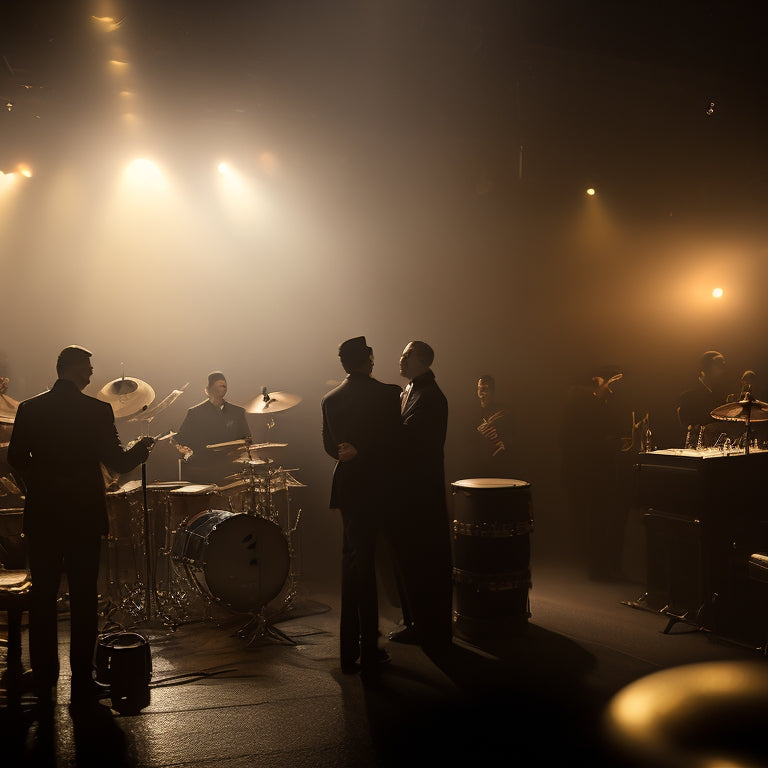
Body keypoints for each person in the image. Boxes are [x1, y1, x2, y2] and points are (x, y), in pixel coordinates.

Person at [7, 345, 154, 707]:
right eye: (88, 368)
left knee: (42, 598)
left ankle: (43, 676)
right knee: (84, 599)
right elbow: (118, 461)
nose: (91, 375)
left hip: (43, 516)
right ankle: (82, 679)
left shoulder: (29, 408)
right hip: (84, 517)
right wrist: (144, 448)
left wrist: (35, 487)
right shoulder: (97, 411)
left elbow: (14, 459)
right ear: (74, 370)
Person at [321, 336, 402, 684]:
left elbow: (330, 446)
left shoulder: (330, 399)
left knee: (351, 566)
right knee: (369, 567)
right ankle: (370, 650)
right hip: (378, 488)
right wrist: (365, 452)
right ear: (368, 359)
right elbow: (395, 442)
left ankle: (348, 652)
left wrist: (350, 452)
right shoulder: (388, 394)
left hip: (348, 488)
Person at [388, 340, 452, 656]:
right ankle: (416, 621)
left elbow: (413, 444)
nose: (400, 359)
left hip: (419, 494)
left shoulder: (430, 397)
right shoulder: (411, 390)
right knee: (410, 559)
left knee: (421, 559)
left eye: (406, 355)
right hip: (409, 491)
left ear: (421, 360)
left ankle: (426, 626)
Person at [560, 364, 628, 581]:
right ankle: (598, 568)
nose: (613, 388)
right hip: (589, 471)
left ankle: (604, 566)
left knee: (602, 518)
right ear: (598, 380)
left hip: (599, 469)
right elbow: (571, 438)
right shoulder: (582, 405)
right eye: (611, 382)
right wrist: (606, 443)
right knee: (597, 519)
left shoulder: (599, 404)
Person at [174, 371, 251, 484]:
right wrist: (184, 449)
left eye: (225, 386)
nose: (224, 388)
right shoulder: (195, 412)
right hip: (203, 467)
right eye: (220, 385)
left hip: (231, 466)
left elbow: (247, 438)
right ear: (208, 389)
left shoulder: (237, 412)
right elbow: (181, 439)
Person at [676, 350, 730, 448]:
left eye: (723, 364)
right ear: (705, 368)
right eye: (718, 364)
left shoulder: (720, 394)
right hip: (696, 449)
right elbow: (685, 425)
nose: (722, 368)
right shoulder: (688, 395)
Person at [472, 374, 513, 477]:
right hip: (477, 465)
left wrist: (503, 445)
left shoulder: (503, 413)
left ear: (492, 391)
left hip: (498, 465)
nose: (481, 392)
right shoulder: (472, 414)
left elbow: (511, 437)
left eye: (485, 389)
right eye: (479, 389)